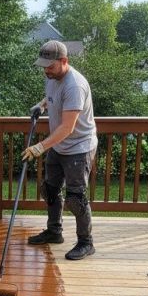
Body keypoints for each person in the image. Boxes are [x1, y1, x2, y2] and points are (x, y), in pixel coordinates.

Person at [22, 39, 98, 260]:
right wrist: (42, 105)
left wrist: (39, 147)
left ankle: (86, 242)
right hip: (59, 144)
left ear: (64, 61)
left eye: (51, 66)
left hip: (78, 147)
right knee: (50, 189)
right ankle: (54, 232)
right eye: (44, 65)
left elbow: (68, 127)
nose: (46, 70)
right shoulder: (53, 77)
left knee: (76, 197)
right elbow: (52, 96)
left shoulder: (75, 85)